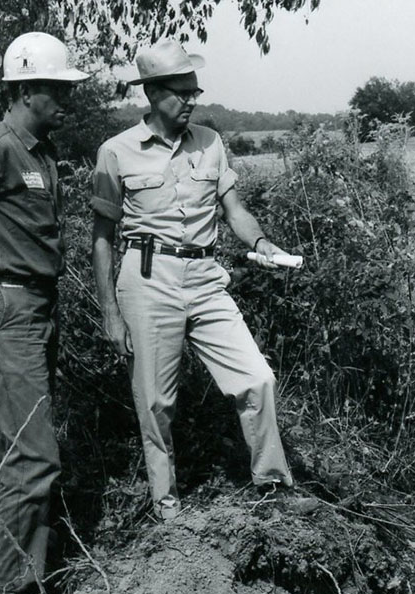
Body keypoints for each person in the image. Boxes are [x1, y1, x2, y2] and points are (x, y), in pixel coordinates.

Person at [91, 40, 294, 521]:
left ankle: (273, 486)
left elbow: (235, 210)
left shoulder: (210, 142)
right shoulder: (115, 153)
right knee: (156, 403)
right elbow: (102, 237)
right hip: (146, 280)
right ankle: (167, 508)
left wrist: (263, 244)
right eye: (181, 92)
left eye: (194, 91)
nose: (191, 100)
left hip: (205, 277)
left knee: (257, 378)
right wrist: (110, 314)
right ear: (153, 93)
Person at [0, 32, 88, 594]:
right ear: (24, 89)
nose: (67, 96)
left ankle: (5, 579)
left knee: (11, 450)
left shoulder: (42, 150)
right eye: (57, 87)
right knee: (35, 454)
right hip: (8, 308)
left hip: (39, 306)